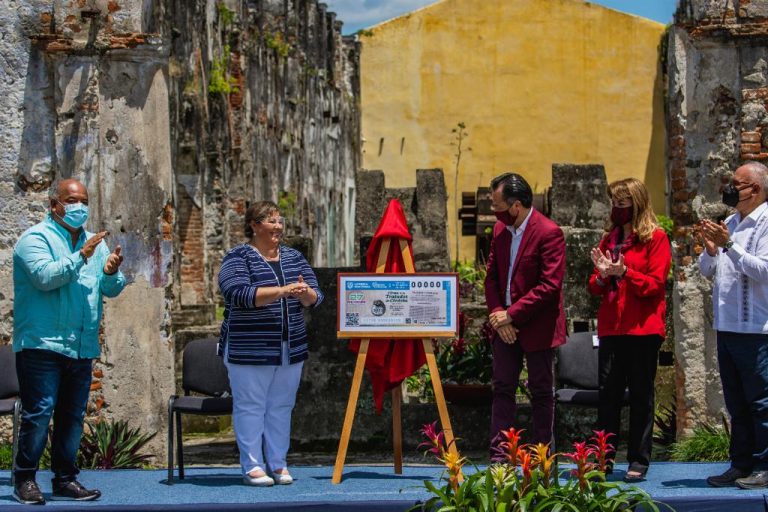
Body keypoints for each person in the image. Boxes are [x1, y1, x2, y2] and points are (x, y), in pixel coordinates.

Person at [12, 178, 125, 505]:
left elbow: (109, 288)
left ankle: (65, 478)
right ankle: (25, 479)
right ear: (55, 205)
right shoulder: (33, 239)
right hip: (41, 344)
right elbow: (46, 278)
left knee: (72, 416)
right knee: (39, 413)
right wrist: (81, 256)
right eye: (72, 200)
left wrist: (111, 272)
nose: (80, 207)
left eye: (84, 201)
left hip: (81, 345)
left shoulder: (95, 241)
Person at [218, 200, 323, 486]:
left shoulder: (294, 257)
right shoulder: (238, 257)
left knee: (281, 406)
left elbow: (316, 296)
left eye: (279, 221)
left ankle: (278, 464)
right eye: (270, 221)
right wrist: (282, 291)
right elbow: (237, 293)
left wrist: (305, 294)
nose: (277, 227)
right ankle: (252, 466)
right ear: (254, 225)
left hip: (291, 348)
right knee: (251, 406)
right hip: (249, 348)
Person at [587, 178, 671, 483]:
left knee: (640, 395)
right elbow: (593, 286)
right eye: (614, 202)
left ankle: (638, 460)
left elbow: (655, 285)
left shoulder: (656, 238)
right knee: (607, 396)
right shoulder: (609, 239)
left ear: (637, 203)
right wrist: (601, 275)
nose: (617, 208)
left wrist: (626, 272)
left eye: (623, 203)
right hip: (611, 327)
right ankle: (602, 459)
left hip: (642, 329)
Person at [484, 172, 566, 456]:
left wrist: (512, 315)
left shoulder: (549, 232)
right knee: (502, 388)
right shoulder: (499, 231)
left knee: (542, 392)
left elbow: (549, 286)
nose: (494, 212)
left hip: (537, 325)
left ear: (515, 206)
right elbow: (491, 277)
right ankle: (500, 457)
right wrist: (497, 313)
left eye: (497, 206)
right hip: (505, 324)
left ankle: (543, 456)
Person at [700, 162, 768, 490]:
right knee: (736, 403)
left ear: (754, 189)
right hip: (727, 326)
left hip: (756, 328)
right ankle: (740, 464)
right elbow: (706, 269)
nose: (729, 189)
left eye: (736, 184)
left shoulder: (766, 221)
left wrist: (729, 246)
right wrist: (712, 251)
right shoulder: (729, 222)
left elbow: (764, 271)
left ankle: (764, 466)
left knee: (761, 403)